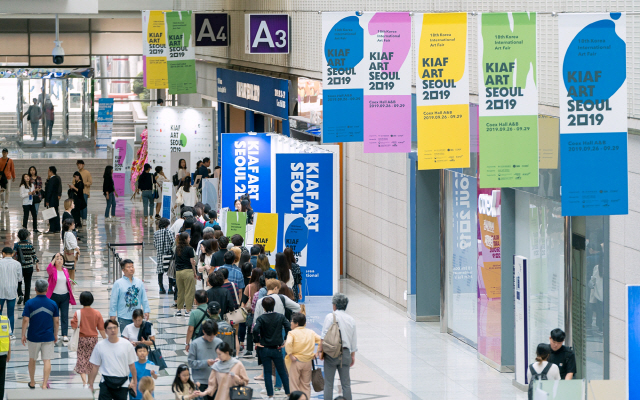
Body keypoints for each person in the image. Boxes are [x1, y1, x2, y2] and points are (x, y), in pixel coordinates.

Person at [318, 293, 357, 400]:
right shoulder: (351, 320)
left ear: (334, 305)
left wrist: (320, 351)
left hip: (331, 353)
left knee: (329, 383)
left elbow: (324, 335)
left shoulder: (330, 317)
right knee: (346, 384)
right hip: (345, 353)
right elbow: (353, 341)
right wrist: (352, 355)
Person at [22, 279, 59, 390]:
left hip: (33, 336)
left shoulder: (29, 303)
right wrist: (56, 334)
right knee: (47, 360)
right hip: (48, 336)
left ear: (35, 289)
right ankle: (44, 384)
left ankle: (32, 382)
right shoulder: (53, 303)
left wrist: (23, 334)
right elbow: (56, 321)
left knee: (32, 359)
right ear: (47, 289)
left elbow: (25, 320)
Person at [88, 319, 138, 400]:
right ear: (105, 331)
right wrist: (90, 384)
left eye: (115, 327)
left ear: (118, 329)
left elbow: (132, 365)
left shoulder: (127, 344)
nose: (113, 330)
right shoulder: (100, 345)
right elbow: (95, 366)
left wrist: (134, 382)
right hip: (106, 381)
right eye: (110, 328)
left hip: (122, 382)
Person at [253, 296, 291, 399]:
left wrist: (256, 341)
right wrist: (286, 339)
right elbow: (288, 327)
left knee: (267, 372)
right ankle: (288, 393)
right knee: (282, 371)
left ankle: (270, 395)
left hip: (264, 348)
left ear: (263, 307)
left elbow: (255, 329)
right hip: (277, 348)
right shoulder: (280, 317)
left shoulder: (260, 318)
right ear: (274, 305)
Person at [71, 291, 107, 387]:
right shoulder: (96, 313)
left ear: (81, 301)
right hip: (93, 340)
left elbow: (74, 327)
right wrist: (105, 339)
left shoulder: (78, 313)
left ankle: (84, 382)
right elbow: (101, 328)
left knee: (81, 359)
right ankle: (91, 382)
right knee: (92, 360)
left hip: (81, 339)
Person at [285, 313, 321, 399]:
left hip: (296, 361)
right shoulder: (311, 332)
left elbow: (288, 343)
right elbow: (320, 340)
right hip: (308, 361)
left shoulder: (292, 333)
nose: (291, 323)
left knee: (294, 384)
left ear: (296, 323)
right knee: (305, 385)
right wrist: (317, 353)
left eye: (292, 321)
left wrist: (290, 354)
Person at [110, 259, 151, 333]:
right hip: (123, 316)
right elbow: (114, 300)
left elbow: (143, 298)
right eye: (128, 267)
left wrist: (146, 310)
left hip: (137, 316)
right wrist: (112, 313)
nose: (131, 269)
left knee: (137, 338)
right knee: (125, 338)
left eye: (132, 266)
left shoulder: (139, 282)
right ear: (123, 270)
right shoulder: (118, 283)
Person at [188, 319, 222, 399]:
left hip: (216, 381)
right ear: (203, 331)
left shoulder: (219, 342)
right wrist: (206, 363)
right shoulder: (195, 344)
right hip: (200, 382)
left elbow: (226, 360)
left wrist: (220, 360)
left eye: (214, 335)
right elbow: (191, 362)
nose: (212, 338)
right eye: (209, 335)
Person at [46, 252, 76, 342]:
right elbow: (48, 269)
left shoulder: (65, 270)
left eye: (61, 259)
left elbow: (66, 280)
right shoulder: (52, 270)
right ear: (54, 260)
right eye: (57, 259)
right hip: (54, 296)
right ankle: (54, 333)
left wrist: (70, 281)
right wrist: (55, 258)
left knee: (64, 315)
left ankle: (64, 334)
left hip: (65, 296)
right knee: (54, 316)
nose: (59, 260)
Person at [0, 246, 23, 336]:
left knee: (0, 312)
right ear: (12, 254)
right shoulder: (17, 264)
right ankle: (11, 333)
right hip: (12, 291)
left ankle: (0, 332)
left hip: (0, 291)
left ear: (3, 254)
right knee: (11, 313)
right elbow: (20, 278)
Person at [241, 268, 263, 358]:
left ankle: (249, 350)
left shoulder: (249, 286)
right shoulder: (264, 288)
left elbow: (244, 301)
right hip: (262, 313)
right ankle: (259, 349)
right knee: (261, 332)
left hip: (251, 312)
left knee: (250, 331)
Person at [175, 231, 197, 317]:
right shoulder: (190, 249)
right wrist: (194, 272)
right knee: (189, 291)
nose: (190, 238)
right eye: (188, 237)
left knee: (180, 291)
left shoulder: (177, 248)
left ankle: (179, 310)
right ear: (185, 239)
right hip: (187, 271)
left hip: (178, 272)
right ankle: (188, 310)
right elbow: (192, 262)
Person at [15, 228, 39, 305]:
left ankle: (20, 294)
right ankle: (26, 300)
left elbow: (14, 255)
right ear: (27, 236)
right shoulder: (30, 245)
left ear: (18, 236)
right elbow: (34, 256)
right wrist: (37, 265)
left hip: (19, 267)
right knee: (27, 283)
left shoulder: (17, 245)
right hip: (29, 267)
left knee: (18, 282)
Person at [154, 218, 175, 294]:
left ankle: (161, 288)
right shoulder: (169, 232)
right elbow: (173, 242)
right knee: (170, 272)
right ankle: (170, 289)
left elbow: (155, 245)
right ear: (167, 225)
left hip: (159, 255)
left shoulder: (156, 233)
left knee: (160, 272)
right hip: (168, 255)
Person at [44, 166, 62, 233]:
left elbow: (49, 191)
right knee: (56, 214)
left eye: (48, 171)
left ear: (51, 172)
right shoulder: (57, 179)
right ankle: (57, 228)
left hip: (51, 199)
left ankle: (52, 229)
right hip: (55, 199)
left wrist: (47, 200)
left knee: (51, 214)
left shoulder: (52, 180)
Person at [77, 160, 92, 224]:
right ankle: (80, 218)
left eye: (80, 164)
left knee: (84, 206)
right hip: (78, 192)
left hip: (85, 192)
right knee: (78, 205)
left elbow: (90, 182)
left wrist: (84, 183)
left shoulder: (87, 173)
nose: (79, 166)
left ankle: (84, 219)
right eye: (78, 165)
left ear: (83, 165)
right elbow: (73, 181)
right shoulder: (77, 173)